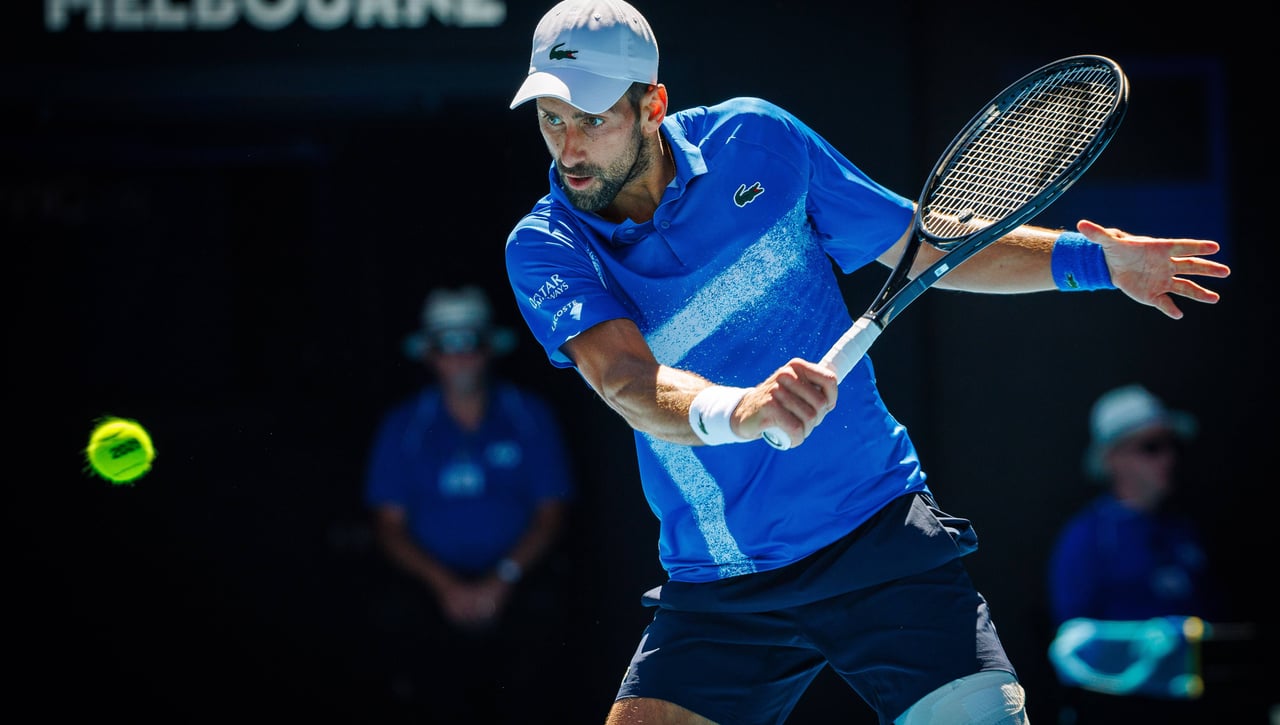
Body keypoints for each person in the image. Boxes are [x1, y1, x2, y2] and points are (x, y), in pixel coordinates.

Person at [502, 2, 1232, 723]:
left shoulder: (758, 141)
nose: (569, 148)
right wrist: (743, 409)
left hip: (877, 534)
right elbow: (626, 380)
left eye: (593, 119)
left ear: (653, 105)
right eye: (552, 118)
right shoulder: (544, 244)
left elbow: (927, 244)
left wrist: (1099, 262)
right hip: (722, 583)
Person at [361, 285, 577, 724]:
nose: (460, 354)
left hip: (515, 583)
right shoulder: (403, 425)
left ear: (489, 348)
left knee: (549, 642)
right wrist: (445, 586)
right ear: (429, 354)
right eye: (446, 343)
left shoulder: (529, 414)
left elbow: (552, 512)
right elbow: (388, 526)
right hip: (432, 589)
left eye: (471, 341)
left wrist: (503, 577)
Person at [1044, 384, 1234, 722]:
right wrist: (1144, 647)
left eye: (1171, 446)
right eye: (1151, 447)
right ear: (1111, 458)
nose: (1168, 459)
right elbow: (1074, 642)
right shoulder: (1087, 537)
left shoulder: (1186, 530)